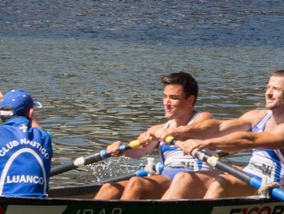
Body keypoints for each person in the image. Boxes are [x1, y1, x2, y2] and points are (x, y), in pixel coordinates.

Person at [182, 69, 284, 199]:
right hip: (251, 178)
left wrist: (204, 143)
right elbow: (219, 127)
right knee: (187, 178)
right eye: (268, 87)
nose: (268, 93)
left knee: (223, 183)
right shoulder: (257, 116)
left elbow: (249, 140)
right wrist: (179, 131)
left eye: (276, 89)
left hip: (273, 190)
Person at [95, 72, 221, 202]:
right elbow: (139, 152)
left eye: (173, 98)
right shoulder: (157, 129)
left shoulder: (203, 118)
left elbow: (201, 130)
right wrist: (120, 150)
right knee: (109, 188)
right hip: (167, 176)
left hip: (194, 178)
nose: (166, 103)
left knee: (137, 184)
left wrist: (169, 133)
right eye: (165, 96)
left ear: (190, 100)